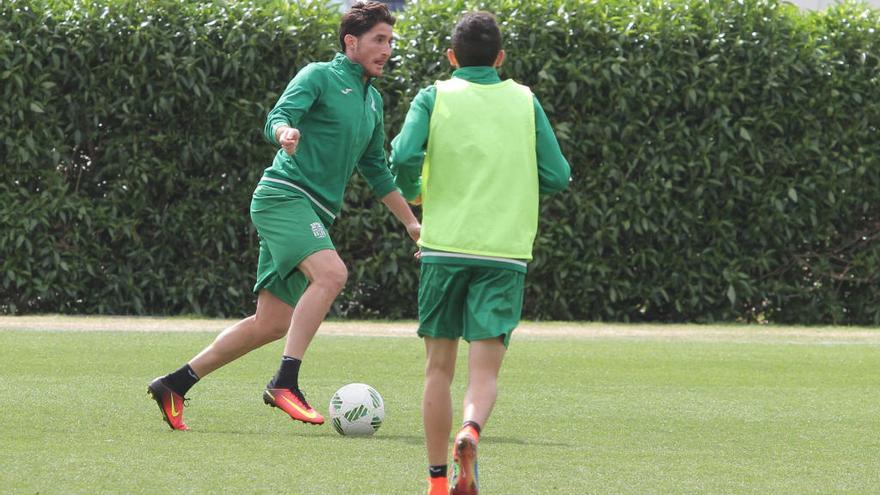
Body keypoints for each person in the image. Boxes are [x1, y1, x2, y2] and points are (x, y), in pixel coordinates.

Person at [147, 1, 420, 431]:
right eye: (379, 40)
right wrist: (284, 133)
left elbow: (376, 170)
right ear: (352, 42)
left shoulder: (373, 101)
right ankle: (284, 382)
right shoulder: (319, 76)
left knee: (271, 323)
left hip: (312, 211)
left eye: (390, 41)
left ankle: (174, 384)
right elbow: (278, 117)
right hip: (283, 197)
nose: (387, 49)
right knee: (331, 275)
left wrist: (410, 223)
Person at [390, 11, 571, 495]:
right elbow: (558, 175)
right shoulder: (524, 100)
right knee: (484, 370)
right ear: (501, 58)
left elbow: (403, 157)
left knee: (437, 368)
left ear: (451, 57)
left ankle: (434, 482)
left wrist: (416, 193)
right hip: (504, 254)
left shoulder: (434, 95)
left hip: (442, 250)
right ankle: (470, 430)